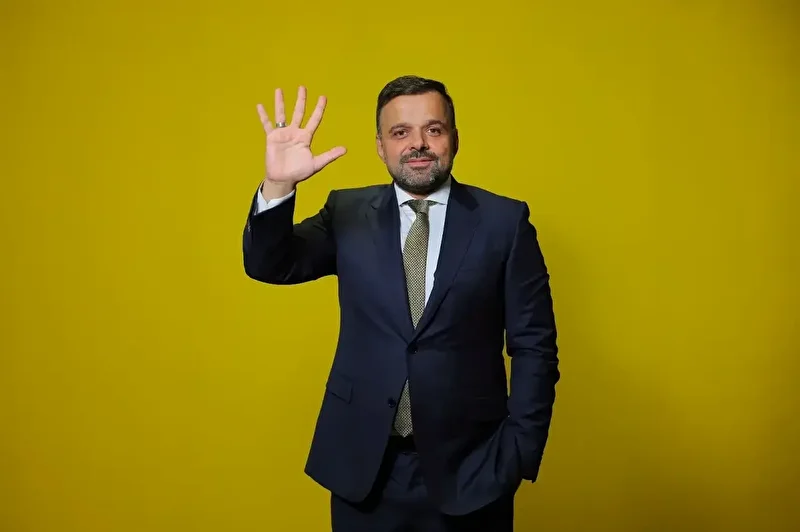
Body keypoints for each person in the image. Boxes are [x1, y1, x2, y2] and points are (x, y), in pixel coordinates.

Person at [242, 75, 560, 531]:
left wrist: (518, 450)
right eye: (400, 132)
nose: (418, 144)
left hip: (473, 471)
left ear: (454, 138)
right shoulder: (346, 213)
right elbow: (270, 265)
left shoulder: (504, 223)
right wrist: (278, 186)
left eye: (434, 129)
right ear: (380, 146)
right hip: (364, 471)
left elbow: (535, 347)